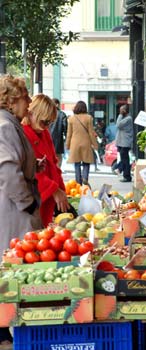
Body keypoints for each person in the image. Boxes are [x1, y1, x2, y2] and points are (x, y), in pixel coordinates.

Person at [0, 75, 43, 346]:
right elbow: (6, 169)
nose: (29, 103)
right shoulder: (5, 125)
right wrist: (27, 202)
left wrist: (32, 166)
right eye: (26, 97)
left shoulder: (10, 124)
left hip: (13, 205)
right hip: (12, 208)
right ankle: (3, 329)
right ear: (13, 100)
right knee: (10, 265)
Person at [22, 94, 69, 227]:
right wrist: (54, 189)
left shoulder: (44, 132)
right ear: (32, 113)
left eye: (49, 122)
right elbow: (29, 170)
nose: (46, 126)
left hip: (48, 197)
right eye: (44, 121)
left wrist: (61, 190)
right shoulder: (22, 133)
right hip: (34, 198)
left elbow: (54, 164)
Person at [66, 101, 98, 185]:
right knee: (86, 163)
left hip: (75, 143)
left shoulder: (71, 119)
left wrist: (67, 145)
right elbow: (91, 132)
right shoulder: (89, 118)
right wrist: (95, 144)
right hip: (86, 143)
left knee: (76, 164)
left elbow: (69, 133)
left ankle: (78, 183)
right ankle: (85, 178)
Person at [115, 104, 133, 182]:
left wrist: (120, 115)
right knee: (124, 159)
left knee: (125, 159)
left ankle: (126, 175)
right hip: (122, 142)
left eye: (121, 110)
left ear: (125, 111)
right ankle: (120, 169)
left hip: (125, 142)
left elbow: (118, 125)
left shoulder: (128, 118)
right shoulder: (125, 118)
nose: (120, 111)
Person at [49, 98, 67, 168]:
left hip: (47, 140)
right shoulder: (62, 115)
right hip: (58, 141)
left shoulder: (47, 113)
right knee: (58, 160)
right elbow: (65, 128)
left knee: (49, 159)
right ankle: (56, 175)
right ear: (57, 104)